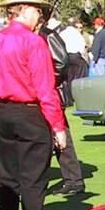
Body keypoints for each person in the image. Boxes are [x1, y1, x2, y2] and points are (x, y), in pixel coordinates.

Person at [0, 0, 68, 210]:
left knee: (7, 178)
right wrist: (58, 127)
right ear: (26, 10)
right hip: (29, 114)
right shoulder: (33, 42)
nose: (39, 16)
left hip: (1, 112)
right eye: (37, 10)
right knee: (33, 180)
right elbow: (45, 88)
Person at [41, 17, 87, 196]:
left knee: (60, 135)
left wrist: (46, 80)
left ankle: (74, 181)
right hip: (45, 92)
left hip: (50, 94)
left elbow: (61, 62)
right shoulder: (42, 35)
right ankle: (72, 180)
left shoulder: (47, 35)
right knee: (51, 137)